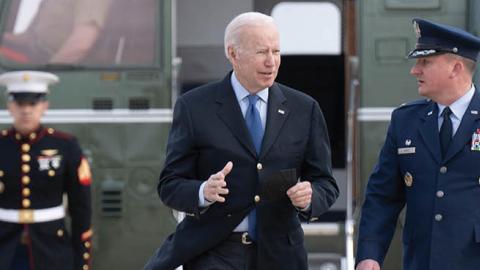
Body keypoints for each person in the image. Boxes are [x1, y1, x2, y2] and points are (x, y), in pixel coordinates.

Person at [144, 12, 339, 270]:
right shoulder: (194, 107)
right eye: (261, 52)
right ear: (233, 54)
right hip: (214, 251)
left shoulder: (304, 109)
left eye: (277, 51)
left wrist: (310, 197)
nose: (272, 62)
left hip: (280, 255)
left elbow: (326, 182)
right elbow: (169, 185)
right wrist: (203, 191)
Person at [356, 18, 480, 270]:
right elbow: (383, 196)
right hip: (422, 261)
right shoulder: (406, 121)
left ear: (455, 69)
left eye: (425, 62)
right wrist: (369, 255)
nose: (415, 70)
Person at [0, 71, 93, 270]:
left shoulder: (65, 145)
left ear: (44, 106)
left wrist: (81, 261)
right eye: (19, 104)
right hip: (5, 247)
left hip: (52, 249)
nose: (26, 111)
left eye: (32, 104)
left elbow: (81, 206)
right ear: (10, 107)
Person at [0, 0, 111, 64]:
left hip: (51, 64)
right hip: (32, 56)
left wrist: (46, 73)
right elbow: (30, 37)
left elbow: (81, 44)